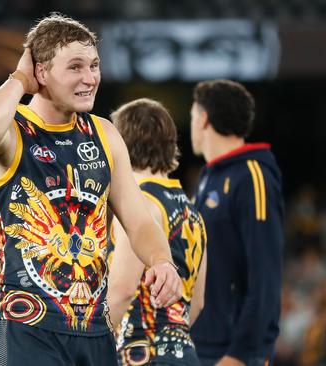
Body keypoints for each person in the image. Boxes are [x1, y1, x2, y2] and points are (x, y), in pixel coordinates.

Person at [0, 13, 182, 366]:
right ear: (42, 73)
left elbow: (139, 220)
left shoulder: (105, 134)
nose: (90, 78)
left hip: (95, 328)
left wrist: (162, 261)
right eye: (75, 67)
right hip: (27, 328)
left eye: (94, 65)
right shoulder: (11, 131)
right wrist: (19, 78)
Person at [188, 80, 283, 366]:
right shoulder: (208, 177)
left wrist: (241, 353)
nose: (191, 124)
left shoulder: (253, 177)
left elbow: (265, 273)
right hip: (202, 343)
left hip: (232, 350)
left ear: (204, 119)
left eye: (193, 117)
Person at [107, 98, 207, 366]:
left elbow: (122, 289)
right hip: (184, 353)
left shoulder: (137, 206)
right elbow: (196, 303)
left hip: (139, 354)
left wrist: (85, 345)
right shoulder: (193, 212)